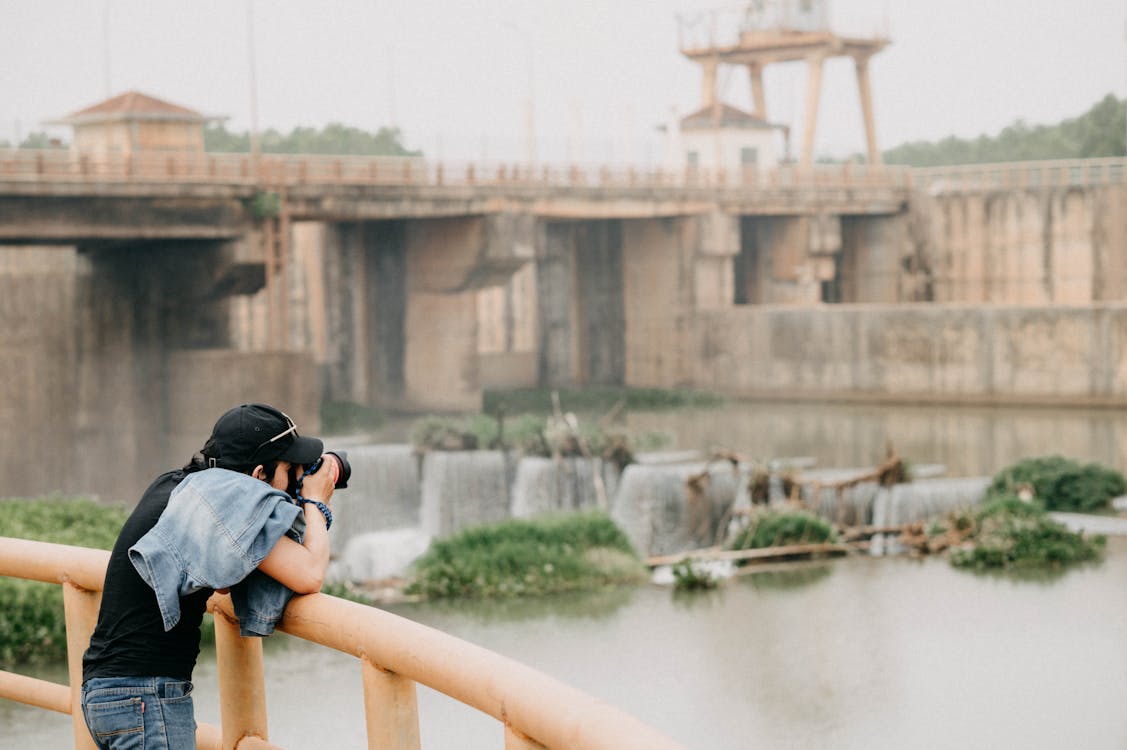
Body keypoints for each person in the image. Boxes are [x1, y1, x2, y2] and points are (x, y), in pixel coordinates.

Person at [80, 403, 338, 750]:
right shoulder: (222, 500)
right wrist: (315, 500)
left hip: (107, 694)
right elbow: (309, 574)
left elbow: (223, 580)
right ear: (259, 475)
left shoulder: (181, 486)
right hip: (146, 699)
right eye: (290, 469)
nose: (294, 478)